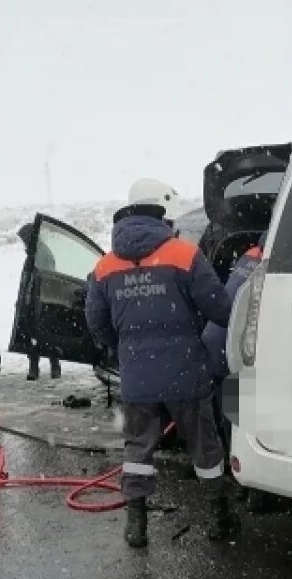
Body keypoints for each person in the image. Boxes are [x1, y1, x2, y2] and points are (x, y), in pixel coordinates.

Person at [85, 181, 236, 548]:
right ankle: (219, 518)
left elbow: (96, 323)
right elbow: (220, 308)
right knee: (204, 448)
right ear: (163, 213)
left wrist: (125, 348)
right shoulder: (184, 255)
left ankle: (136, 525)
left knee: (137, 450)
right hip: (185, 373)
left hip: (137, 379)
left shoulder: (104, 267)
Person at [202, 236, 265, 455]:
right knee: (236, 412)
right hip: (230, 344)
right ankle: (233, 458)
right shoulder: (269, 264)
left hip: (215, 337)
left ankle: (224, 452)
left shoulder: (250, 256)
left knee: (224, 404)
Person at [16, 222, 62, 381]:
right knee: (32, 334)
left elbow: (46, 278)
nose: (24, 243)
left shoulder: (43, 254)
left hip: (42, 300)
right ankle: (33, 367)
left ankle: (54, 366)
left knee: (47, 333)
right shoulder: (31, 254)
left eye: (25, 240)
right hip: (31, 301)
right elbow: (26, 279)